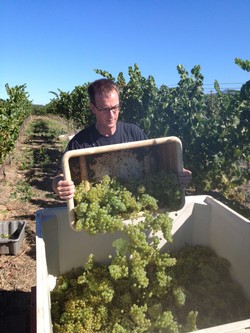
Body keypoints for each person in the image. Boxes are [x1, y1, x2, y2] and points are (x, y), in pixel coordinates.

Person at [52, 78, 192, 200]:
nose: (111, 114)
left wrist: (179, 173)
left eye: (115, 107)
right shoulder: (80, 142)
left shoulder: (134, 133)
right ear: (93, 108)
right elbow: (59, 176)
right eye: (105, 109)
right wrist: (59, 185)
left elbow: (158, 163)